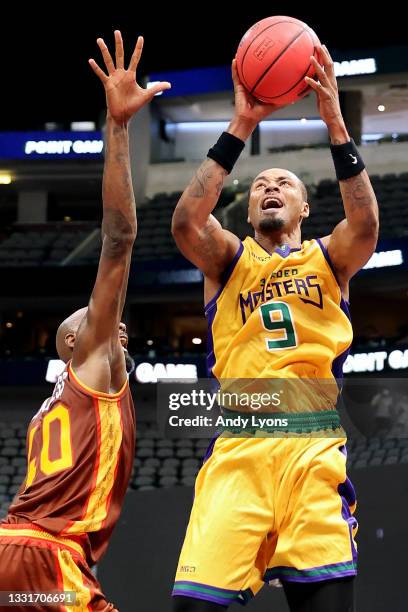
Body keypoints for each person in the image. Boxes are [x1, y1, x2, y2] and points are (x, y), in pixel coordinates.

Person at [171, 45, 378, 612]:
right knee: (192, 607)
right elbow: (187, 221)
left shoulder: (328, 258)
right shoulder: (229, 261)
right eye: (261, 182)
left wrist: (334, 119)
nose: (269, 187)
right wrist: (242, 123)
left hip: (312, 451)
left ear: (306, 206)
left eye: (284, 182)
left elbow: (364, 223)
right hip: (240, 448)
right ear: (247, 207)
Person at [0, 31, 170, 611]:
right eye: (92, 319)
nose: (111, 323)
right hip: (45, 558)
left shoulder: (56, 406)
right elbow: (119, 239)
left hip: (17, 553)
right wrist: (118, 128)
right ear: (73, 340)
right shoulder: (88, 362)